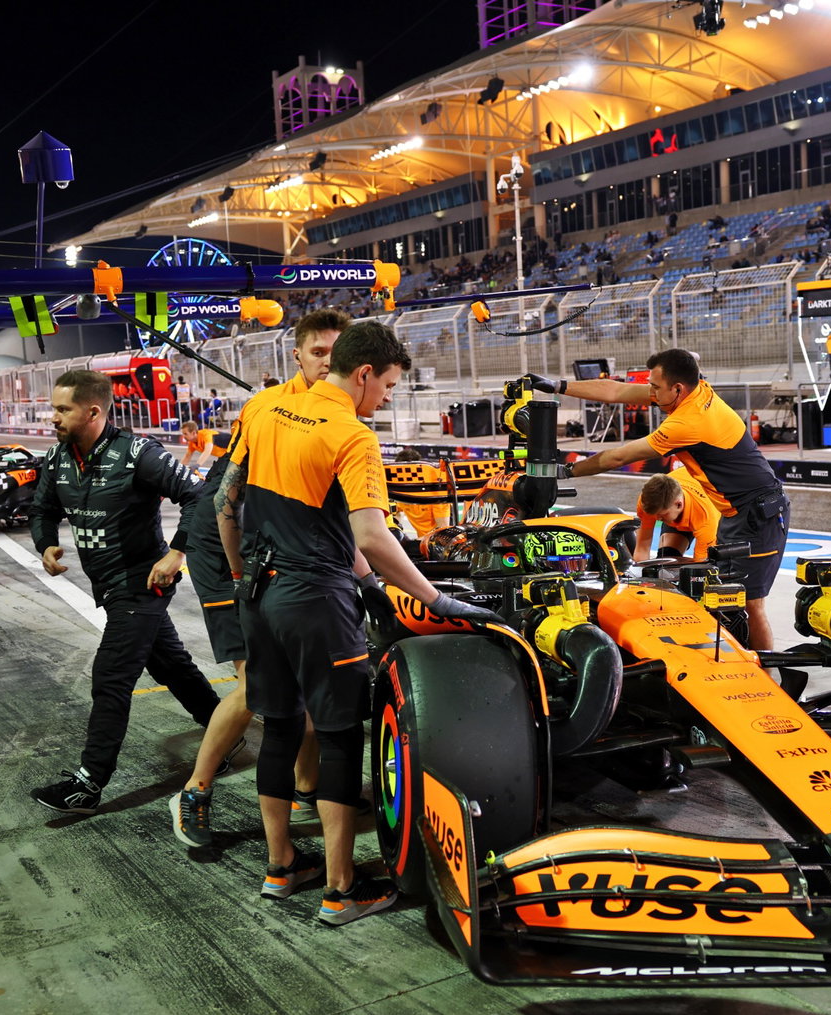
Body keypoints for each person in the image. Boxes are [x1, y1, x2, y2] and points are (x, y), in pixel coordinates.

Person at [223, 322, 500, 925]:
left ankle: (281, 867)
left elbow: (230, 503)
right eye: (390, 387)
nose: (388, 399)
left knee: (278, 727)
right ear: (365, 373)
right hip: (315, 600)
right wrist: (435, 599)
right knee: (342, 736)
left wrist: (247, 573)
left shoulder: (269, 409)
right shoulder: (351, 434)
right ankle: (341, 889)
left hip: (259, 590)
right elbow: (371, 534)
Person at [168, 308, 350, 848]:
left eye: (338, 355)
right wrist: (231, 569)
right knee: (258, 687)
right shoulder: (269, 405)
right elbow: (228, 496)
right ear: (298, 355)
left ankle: (306, 787)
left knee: (314, 678)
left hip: (274, 550)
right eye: (319, 352)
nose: (329, 363)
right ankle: (194, 792)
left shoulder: (340, 407)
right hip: (228, 550)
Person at [27, 370, 223, 816]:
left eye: (63, 409)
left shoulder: (139, 453)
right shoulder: (59, 458)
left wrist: (177, 554)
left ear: (93, 411)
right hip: (108, 585)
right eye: (54, 408)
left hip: (142, 586)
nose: (52, 417)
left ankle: (89, 783)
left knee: (111, 677)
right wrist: (45, 544)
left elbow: (198, 496)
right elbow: (42, 509)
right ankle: (222, 732)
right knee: (171, 664)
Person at [533, 348, 788, 650]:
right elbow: (617, 390)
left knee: (749, 603)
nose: (650, 392)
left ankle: (768, 678)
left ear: (677, 388)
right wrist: (558, 386)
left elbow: (618, 456)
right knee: (720, 594)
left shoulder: (686, 424)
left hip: (758, 514)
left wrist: (565, 471)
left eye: (655, 386)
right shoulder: (696, 390)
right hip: (737, 511)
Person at [634, 468, 721, 562]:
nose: (657, 519)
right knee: (667, 557)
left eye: (662, 515)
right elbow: (642, 548)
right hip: (687, 499)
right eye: (654, 514)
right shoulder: (647, 503)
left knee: (722, 563)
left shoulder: (706, 518)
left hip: (719, 506)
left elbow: (702, 565)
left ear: (678, 504)